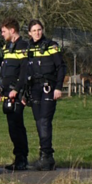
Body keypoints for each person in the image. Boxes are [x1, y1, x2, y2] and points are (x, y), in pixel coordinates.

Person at [11, 19, 67, 171]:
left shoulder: (51, 46)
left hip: (48, 87)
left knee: (44, 121)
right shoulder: (28, 49)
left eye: (39, 29)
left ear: (42, 30)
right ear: (29, 33)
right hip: (34, 89)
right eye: (34, 30)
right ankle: (44, 156)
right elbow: (24, 73)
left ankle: (47, 156)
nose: (37, 33)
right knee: (38, 121)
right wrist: (24, 94)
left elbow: (61, 67)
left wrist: (58, 87)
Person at [0, 18, 30, 171]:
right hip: (8, 92)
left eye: (3, 31)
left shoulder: (23, 46)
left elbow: (24, 71)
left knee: (17, 125)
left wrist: (17, 89)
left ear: (12, 30)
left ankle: (22, 158)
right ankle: (18, 158)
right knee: (12, 126)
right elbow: (5, 72)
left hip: (18, 93)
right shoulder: (8, 47)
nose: (2, 34)